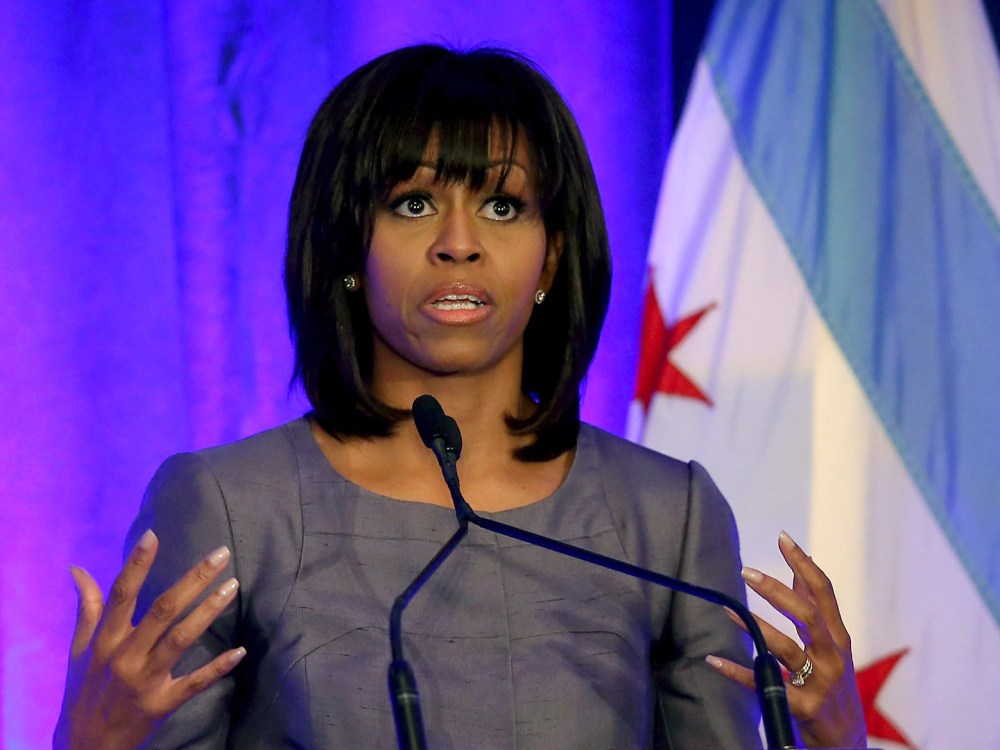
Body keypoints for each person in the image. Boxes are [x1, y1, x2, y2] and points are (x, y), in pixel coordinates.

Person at [54, 45, 866, 749]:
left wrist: (834, 740)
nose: (459, 242)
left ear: (550, 261)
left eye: (502, 206)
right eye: (413, 204)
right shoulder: (231, 508)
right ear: (346, 244)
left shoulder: (665, 516)